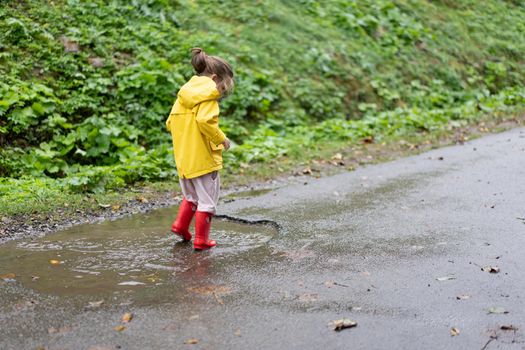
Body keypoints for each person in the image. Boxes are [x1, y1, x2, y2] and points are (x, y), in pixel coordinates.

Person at [165, 48, 234, 250]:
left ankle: (180, 226)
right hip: (203, 159)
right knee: (207, 201)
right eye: (222, 86)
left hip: (184, 159)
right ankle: (201, 240)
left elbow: (170, 123)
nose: (221, 91)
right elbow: (205, 121)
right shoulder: (206, 99)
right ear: (214, 78)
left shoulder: (183, 96)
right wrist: (222, 139)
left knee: (191, 197)